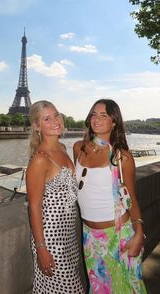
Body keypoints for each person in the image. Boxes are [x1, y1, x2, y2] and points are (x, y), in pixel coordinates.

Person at [73, 98, 147, 293]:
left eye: (104, 115)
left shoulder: (121, 156)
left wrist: (139, 233)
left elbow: (131, 199)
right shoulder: (78, 148)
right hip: (90, 237)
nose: (97, 119)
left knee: (127, 289)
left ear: (114, 121)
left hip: (119, 235)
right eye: (94, 114)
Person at [26, 100, 85, 294]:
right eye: (47, 118)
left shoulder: (62, 149)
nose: (56, 121)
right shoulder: (40, 159)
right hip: (50, 239)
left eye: (56, 115)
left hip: (68, 235)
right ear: (37, 126)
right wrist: (42, 248)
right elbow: (34, 207)